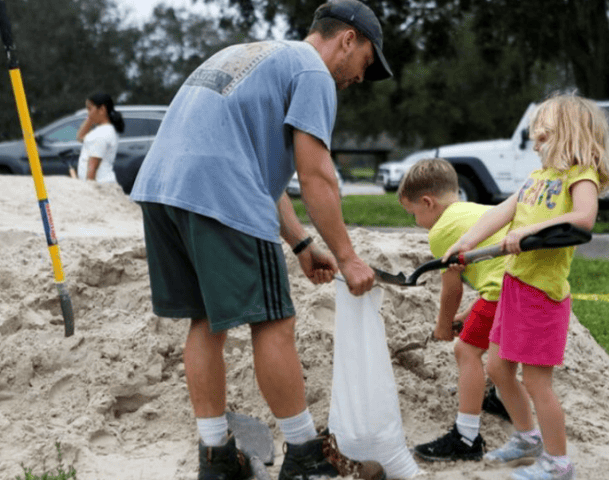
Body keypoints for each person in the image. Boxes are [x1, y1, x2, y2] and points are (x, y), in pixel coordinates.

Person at [129, 1, 392, 479]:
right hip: (218, 195)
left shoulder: (252, 54)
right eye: (366, 63)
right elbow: (316, 176)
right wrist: (349, 258)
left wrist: (299, 243)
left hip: (162, 190)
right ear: (348, 39)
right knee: (274, 321)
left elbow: (247, 162)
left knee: (206, 320)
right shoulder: (312, 73)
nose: (358, 77)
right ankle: (305, 457)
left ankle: (216, 457)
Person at [444, 92, 609, 480]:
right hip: (515, 287)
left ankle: (558, 463)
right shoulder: (537, 180)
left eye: (544, 137)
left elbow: (584, 218)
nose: (535, 146)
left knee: (537, 380)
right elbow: (503, 213)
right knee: (497, 367)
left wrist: (530, 230)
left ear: (571, 135)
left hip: (542, 296)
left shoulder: (579, 176)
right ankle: (527, 438)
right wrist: (465, 243)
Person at [397, 158, 511, 462]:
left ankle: (466, 437)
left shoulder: (442, 231)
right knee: (504, 349)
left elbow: (452, 288)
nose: (416, 222)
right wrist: (470, 314)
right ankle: (503, 401)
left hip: (503, 293)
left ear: (427, 202)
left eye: (414, 215)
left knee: (466, 351)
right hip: (521, 289)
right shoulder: (477, 211)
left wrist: (443, 325)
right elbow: (494, 269)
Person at [76, 92, 124, 183]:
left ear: (102, 109)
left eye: (89, 109)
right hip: (104, 183)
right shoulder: (105, 130)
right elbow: (80, 137)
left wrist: (90, 190)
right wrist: (90, 117)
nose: (88, 113)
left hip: (100, 185)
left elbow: (93, 166)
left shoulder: (101, 134)